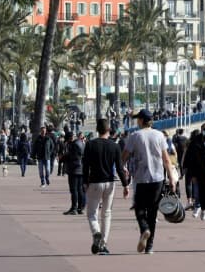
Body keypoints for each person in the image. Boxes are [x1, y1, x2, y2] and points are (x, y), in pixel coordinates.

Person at [121, 109, 177, 254]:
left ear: (141, 120)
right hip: (158, 178)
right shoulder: (159, 135)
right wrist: (171, 178)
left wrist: (122, 168)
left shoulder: (134, 136)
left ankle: (144, 229)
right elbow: (166, 159)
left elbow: (124, 156)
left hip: (141, 178)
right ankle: (150, 246)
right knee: (152, 212)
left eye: (137, 119)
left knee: (139, 208)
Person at [83, 119, 129, 255]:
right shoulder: (114, 146)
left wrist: (85, 182)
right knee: (107, 213)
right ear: (109, 130)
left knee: (92, 213)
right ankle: (103, 244)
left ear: (97, 129)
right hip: (110, 183)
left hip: (95, 182)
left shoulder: (90, 145)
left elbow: (85, 166)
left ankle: (96, 232)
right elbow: (120, 168)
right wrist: (125, 185)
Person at [62, 131, 86, 215]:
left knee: (74, 190)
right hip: (81, 169)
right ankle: (80, 207)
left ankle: (74, 208)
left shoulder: (73, 145)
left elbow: (72, 157)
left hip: (74, 169)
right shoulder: (81, 143)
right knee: (80, 189)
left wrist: (63, 158)